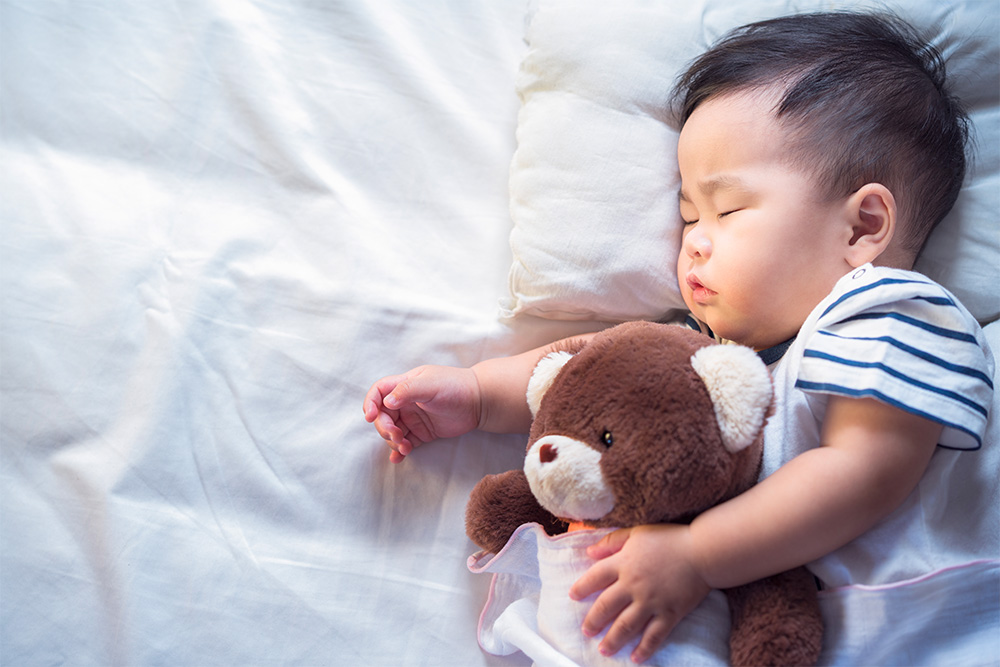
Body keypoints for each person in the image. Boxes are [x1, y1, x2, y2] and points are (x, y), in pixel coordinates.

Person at [363, 11, 994, 664]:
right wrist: (475, 393)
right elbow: (590, 375)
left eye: (728, 208)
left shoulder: (894, 311)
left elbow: (862, 473)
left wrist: (697, 554)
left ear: (863, 227)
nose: (691, 236)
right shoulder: (725, 360)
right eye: (688, 212)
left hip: (941, 618)